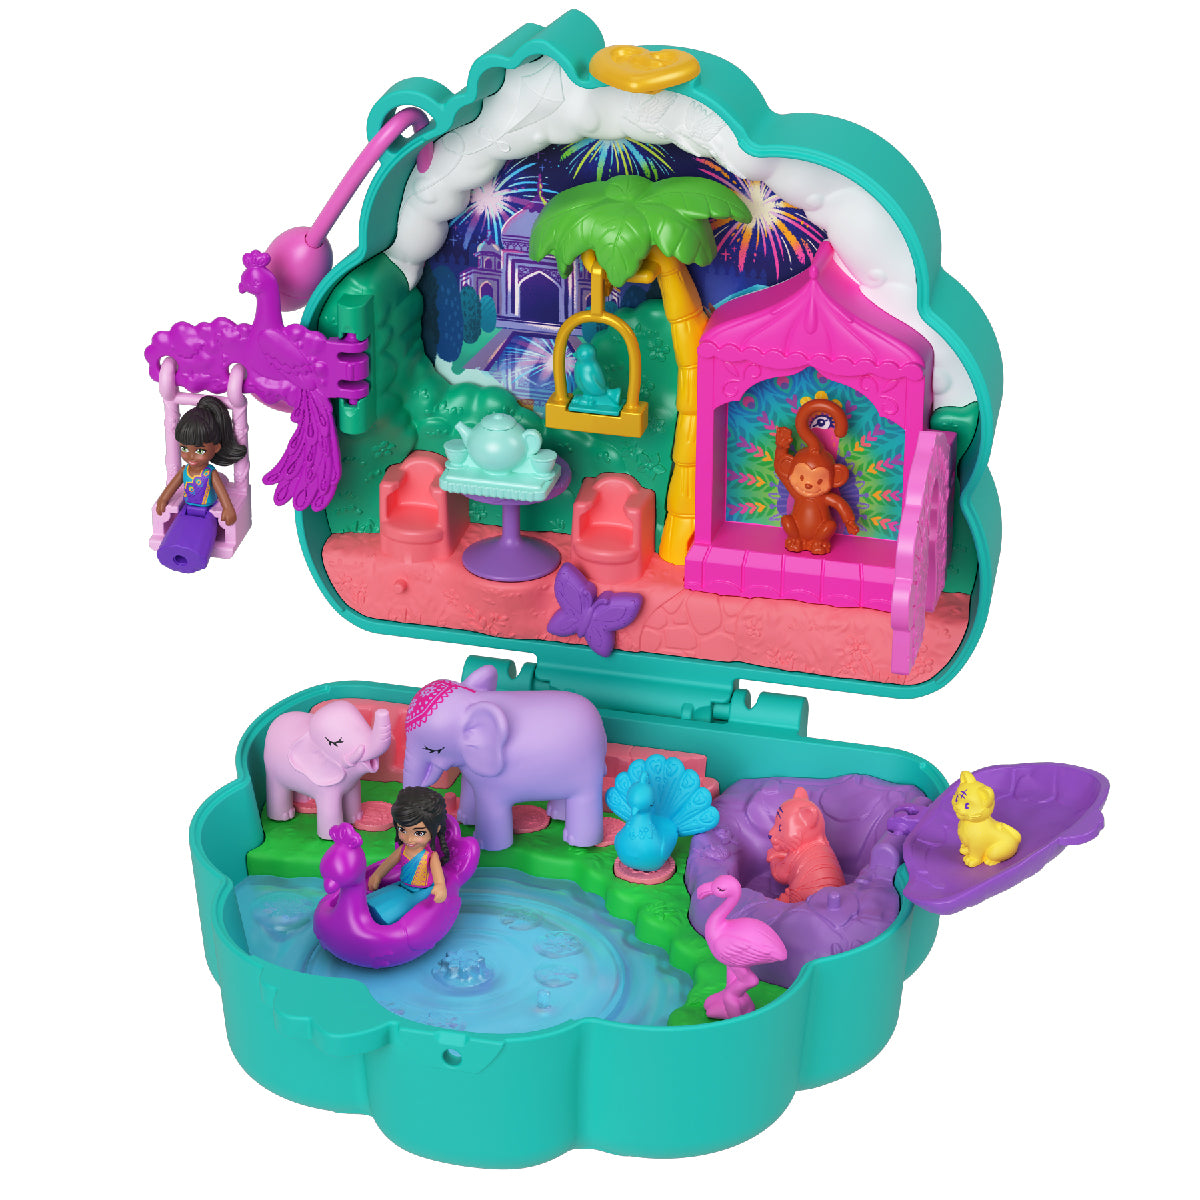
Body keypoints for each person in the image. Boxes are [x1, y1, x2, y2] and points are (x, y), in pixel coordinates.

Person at [366, 787, 450, 925]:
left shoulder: (430, 856)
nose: (409, 839)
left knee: (390, 910)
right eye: (402, 830)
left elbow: (438, 876)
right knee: (373, 901)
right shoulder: (403, 849)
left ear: (437, 829)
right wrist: (377, 875)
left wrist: (440, 886)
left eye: (419, 833)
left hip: (421, 891)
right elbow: (388, 863)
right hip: (402, 885)